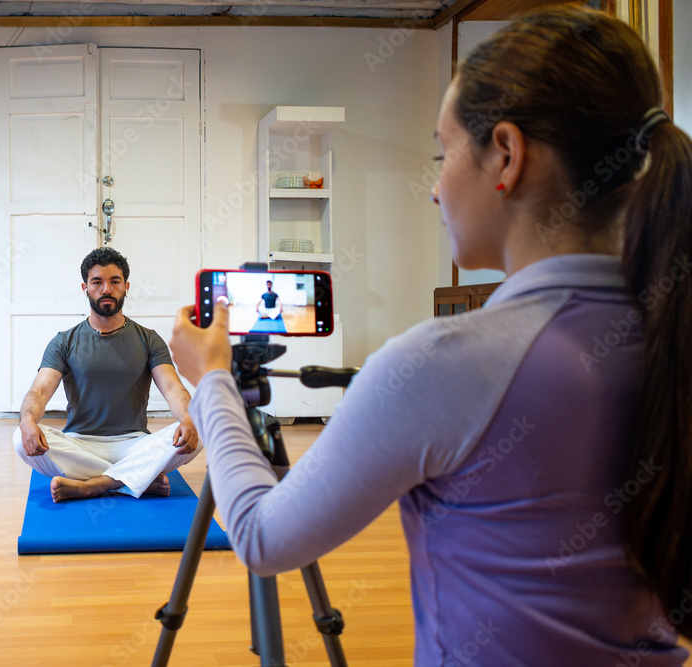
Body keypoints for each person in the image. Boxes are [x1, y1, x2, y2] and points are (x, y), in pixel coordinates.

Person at [169, 6, 691, 664]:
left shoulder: (443, 362)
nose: (434, 190)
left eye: (442, 156)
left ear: (507, 155)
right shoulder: (671, 336)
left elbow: (261, 536)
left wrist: (213, 378)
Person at [13, 247, 200, 503]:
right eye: (97, 282)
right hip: (80, 444)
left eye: (115, 282)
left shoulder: (149, 339)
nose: (106, 289)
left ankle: (95, 484)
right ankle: (137, 478)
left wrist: (188, 419)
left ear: (126, 287)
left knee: (200, 428)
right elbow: (40, 390)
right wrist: (27, 421)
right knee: (19, 437)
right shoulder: (64, 341)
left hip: (134, 444)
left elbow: (172, 388)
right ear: (85, 288)